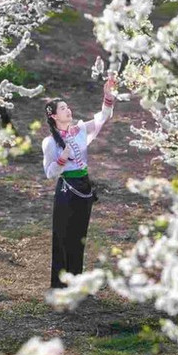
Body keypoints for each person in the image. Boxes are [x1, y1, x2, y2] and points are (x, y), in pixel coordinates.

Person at [42, 74, 117, 288]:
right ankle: (59, 286)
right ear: (55, 116)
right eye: (63, 108)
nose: (68, 110)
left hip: (84, 187)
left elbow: (104, 117)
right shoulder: (49, 143)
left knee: (79, 237)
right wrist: (62, 159)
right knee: (63, 237)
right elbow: (50, 173)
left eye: (67, 106)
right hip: (66, 190)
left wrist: (108, 95)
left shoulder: (80, 130)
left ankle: (76, 283)